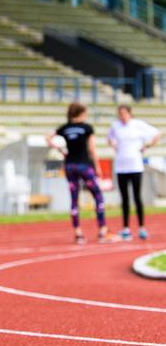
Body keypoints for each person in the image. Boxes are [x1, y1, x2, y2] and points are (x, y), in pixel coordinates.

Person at [47, 102, 108, 243]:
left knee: (74, 199)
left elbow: (48, 138)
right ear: (81, 113)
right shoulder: (87, 128)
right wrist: (97, 167)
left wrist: (61, 151)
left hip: (69, 166)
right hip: (84, 165)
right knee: (97, 194)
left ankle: (78, 233)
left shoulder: (65, 128)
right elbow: (92, 149)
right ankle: (102, 230)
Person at [108, 105, 161, 240]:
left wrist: (147, 145)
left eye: (125, 113)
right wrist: (113, 144)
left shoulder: (138, 125)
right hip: (121, 167)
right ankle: (126, 228)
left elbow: (157, 133)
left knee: (137, 197)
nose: (123, 116)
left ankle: (141, 227)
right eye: (120, 114)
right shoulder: (115, 126)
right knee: (124, 198)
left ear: (130, 114)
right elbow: (110, 138)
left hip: (135, 166)